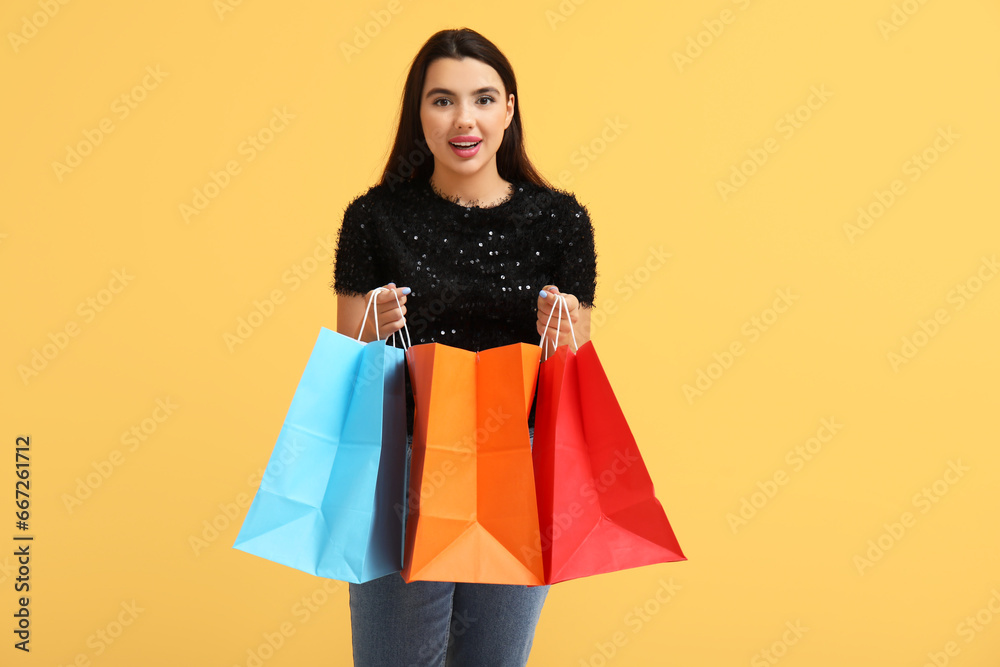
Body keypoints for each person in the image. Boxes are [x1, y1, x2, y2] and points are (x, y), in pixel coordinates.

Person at [332, 27, 598, 667]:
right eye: (442, 100)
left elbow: (574, 366)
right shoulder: (374, 218)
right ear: (417, 113)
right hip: (403, 465)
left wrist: (559, 326)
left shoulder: (562, 221)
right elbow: (348, 352)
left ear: (509, 109)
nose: (464, 119)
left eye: (483, 99)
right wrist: (372, 322)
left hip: (517, 466)